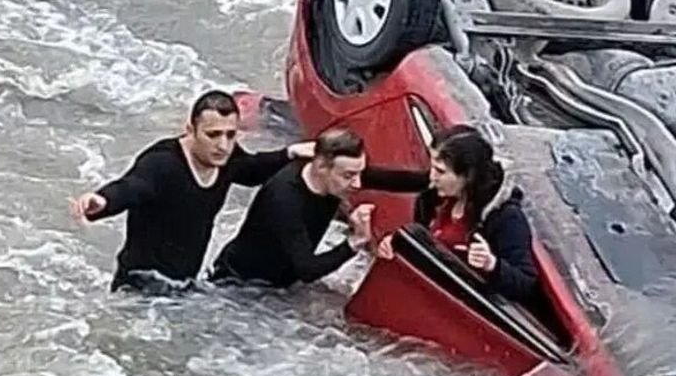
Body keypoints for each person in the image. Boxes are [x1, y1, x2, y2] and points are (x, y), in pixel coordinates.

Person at [70, 89, 314, 292]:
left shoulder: (227, 158)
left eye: (230, 135)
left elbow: (251, 170)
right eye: (213, 135)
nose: (223, 145)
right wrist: (102, 201)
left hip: (183, 285)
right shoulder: (161, 163)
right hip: (140, 286)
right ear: (190, 129)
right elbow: (132, 186)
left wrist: (289, 153)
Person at [208, 127, 427, 287]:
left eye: (360, 173)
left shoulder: (337, 175)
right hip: (240, 284)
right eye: (349, 176)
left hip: (284, 278)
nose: (358, 183)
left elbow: (392, 180)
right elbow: (307, 270)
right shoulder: (285, 200)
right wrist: (355, 242)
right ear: (321, 166)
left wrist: (435, 179)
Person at [375, 126, 538, 302]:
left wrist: (492, 264)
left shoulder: (505, 217)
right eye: (432, 167)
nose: (432, 177)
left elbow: (526, 284)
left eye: (440, 171)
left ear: (468, 176)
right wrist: (398, 243)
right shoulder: (432, 199)